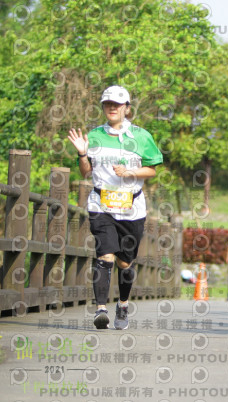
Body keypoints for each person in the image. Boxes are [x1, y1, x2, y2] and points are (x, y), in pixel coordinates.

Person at [67, 85, 163, 330]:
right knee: (105, 255)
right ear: (103, 107)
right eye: (107, 103)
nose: (112, 107)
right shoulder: (94, 136)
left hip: (132, 207)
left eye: (117, 104)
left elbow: (151, 170)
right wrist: (82, 154)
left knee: (124, 263)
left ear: (127, 108)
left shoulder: (141, 136)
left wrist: (130, 172)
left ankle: (122, 304)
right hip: (101, 205)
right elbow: (86, 172)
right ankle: (101, 309)